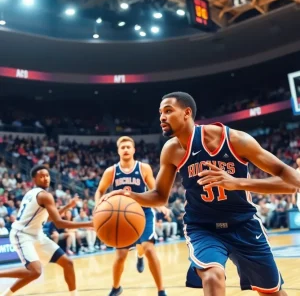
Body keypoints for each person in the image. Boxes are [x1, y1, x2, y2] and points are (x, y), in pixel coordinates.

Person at [102, 92, 300, 296]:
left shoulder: (235, 139)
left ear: (187, 113)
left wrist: (237, 183)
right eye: (160, 112)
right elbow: (160, 196)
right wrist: (131, 196)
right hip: (202, 227)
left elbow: (289, 180)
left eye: (168, 111)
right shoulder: (171, 150)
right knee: (212, 276)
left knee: (272, 293)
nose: (162, 117)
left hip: (244, 223)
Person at [0, 165, 93, 296]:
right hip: (21, 235)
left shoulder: (31, 193)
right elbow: (59, 224)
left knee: (68, 263)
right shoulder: (45, 196)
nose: (45, 178)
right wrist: (89, 223)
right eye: (41, 176)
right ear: (34, 179)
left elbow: (46, 219)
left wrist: (67, 206)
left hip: (37, 234)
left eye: (47, 175)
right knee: (35, 272)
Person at [94, 136, 167, 296]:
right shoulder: (111, 171)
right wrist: (98, 205)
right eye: (123, 147)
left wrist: (161, 206)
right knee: (120, 255)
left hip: (144, 212)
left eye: (128, 147)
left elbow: (155, 191)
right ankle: (116, 287)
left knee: (148, 249)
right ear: (118, 151)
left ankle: (161, 290)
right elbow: (100, 190)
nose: (126, 149)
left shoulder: (143, 168)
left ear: (134, 150)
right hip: (121, 216)